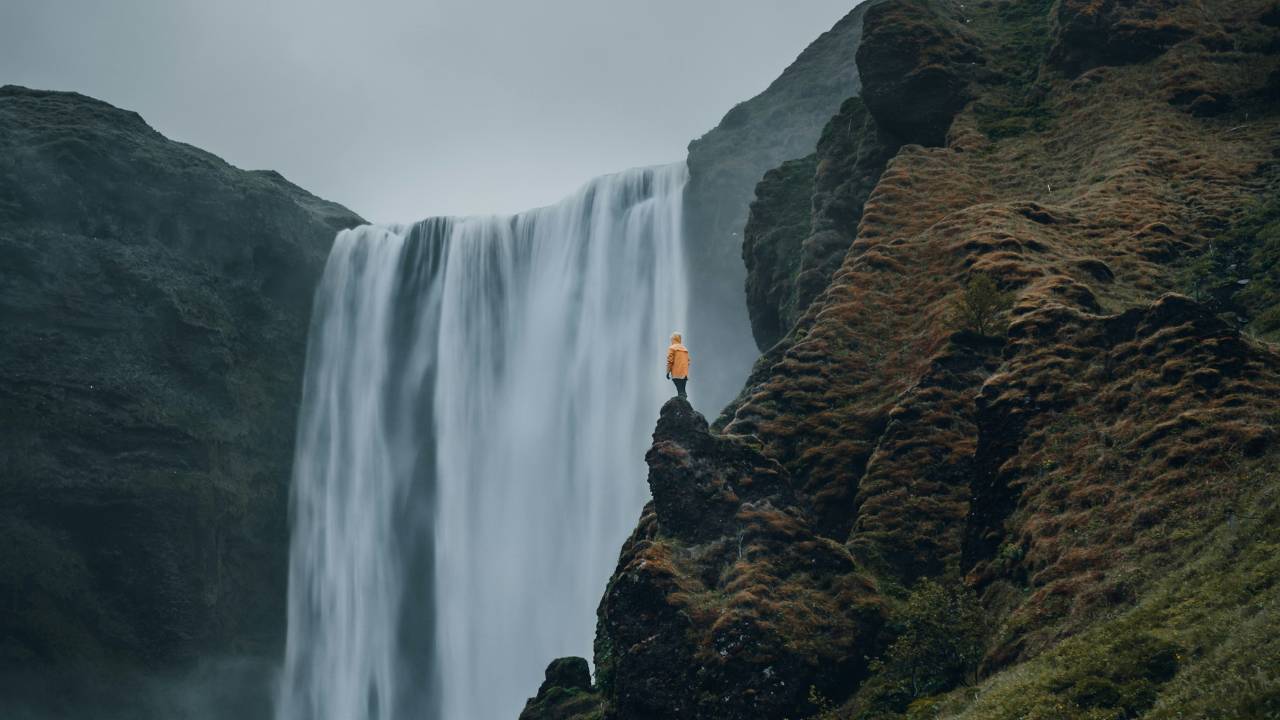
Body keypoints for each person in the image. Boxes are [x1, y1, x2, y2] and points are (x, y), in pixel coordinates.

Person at [665, 332, 690, 398]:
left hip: (676, 374)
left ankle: (681, 404)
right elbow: (688, 361)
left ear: (673, 339)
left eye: (671, 339)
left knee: (680, 391)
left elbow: (670, 361)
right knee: (682, 390)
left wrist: (668, 372)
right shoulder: (685, 349)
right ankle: (684, 402)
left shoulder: (672, 348)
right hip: (684, 374)